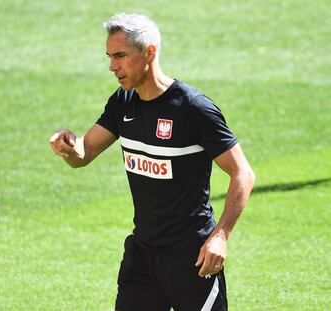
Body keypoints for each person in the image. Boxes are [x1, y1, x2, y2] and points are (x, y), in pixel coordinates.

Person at [49, 12, 255, 311]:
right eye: (109, 56)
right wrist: (69, 146)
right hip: (142, 255)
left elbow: (243, 173)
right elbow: (85, 154)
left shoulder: (192, 108)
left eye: (120, 56)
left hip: (192, 258)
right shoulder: (123, 102)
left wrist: (220, 237)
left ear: (149, 52)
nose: (112, 66)